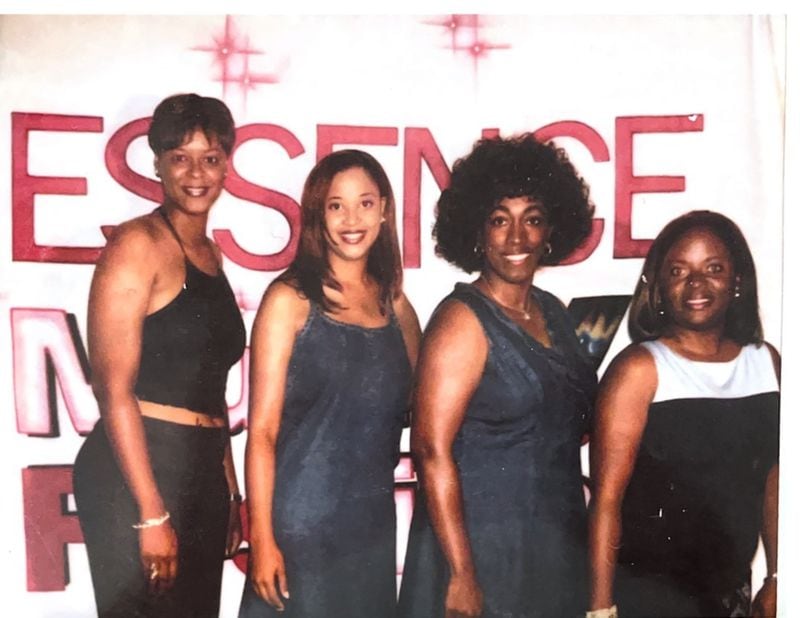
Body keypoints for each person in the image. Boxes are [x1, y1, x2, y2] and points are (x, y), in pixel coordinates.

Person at [398, 134, 598, 618]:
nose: (516, 238)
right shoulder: (461, 321)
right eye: (498, 220)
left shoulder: (553, 313)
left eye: (531, 219)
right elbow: (429, 450)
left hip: (552, 548)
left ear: (551, 229)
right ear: (477, 233)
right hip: (480, 554)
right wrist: (462, 574)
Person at [72, 93, 246, 617]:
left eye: (211, 158)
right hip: (138, 474)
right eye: (180, 157)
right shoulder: (137, 245)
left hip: (201, 473)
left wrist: (229, 490)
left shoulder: (211, 255)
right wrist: (151, 514)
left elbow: (210, 390)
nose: (197, 173)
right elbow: (112, 389)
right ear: (158, 164)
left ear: (226, 166)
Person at [238, 149, 421, 618]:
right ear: (318, 214)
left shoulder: (397, 307)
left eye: (364, 202)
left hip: (371, 535)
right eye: (336, 205)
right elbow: (261, 433)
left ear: (384, 209)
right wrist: (261, 541)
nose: (352, 218)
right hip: (300, 530)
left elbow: (427, 415)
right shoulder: (289, 301)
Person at [587, 210, 779, 618]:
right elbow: (606, 502)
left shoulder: (767, 364)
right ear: (658, 286)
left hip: (731, 596)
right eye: (679, 271)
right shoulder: (639, 370)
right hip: (648, 598)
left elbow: (775, 484)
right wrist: (600, 609)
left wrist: (777, 577)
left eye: (713, 268)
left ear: (737, 280)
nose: (696, 284)